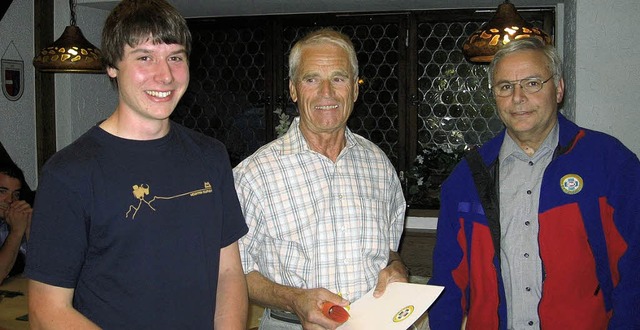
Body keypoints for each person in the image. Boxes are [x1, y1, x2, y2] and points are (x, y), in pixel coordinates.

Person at [24, 0, 249, 329]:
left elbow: (228, 272)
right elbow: (47, 309)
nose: (166, 75)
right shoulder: (69, 173)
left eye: (175, 57)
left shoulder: (211, 156)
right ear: (112, 66)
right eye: (145, 57)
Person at [428, 37, 640, 329]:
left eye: (532, 83)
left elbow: (635, 268)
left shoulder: (610, 162)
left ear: (559, 89)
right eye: (505, 87)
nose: (518, 97)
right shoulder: (466, 177)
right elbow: (447, 279)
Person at [233, 28, 408, 330]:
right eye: (311, 79)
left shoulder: (379, 165)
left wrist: (396, 267)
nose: (326, 92)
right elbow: (235, 272)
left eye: (338, 78)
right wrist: (294, 300)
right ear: (293, 90)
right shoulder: (253, 175)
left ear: (354, 89)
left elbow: (388, 249)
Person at [0, 161, 32, 283]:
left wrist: (29, 228)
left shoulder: (9, 221)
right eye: (2, 191)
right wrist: (17, 232)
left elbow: (45, 268)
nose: (10, 200)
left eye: (16, 194)